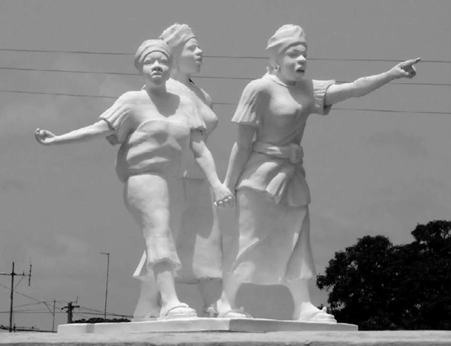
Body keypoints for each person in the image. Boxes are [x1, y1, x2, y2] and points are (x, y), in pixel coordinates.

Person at [218, 24, 420, 322]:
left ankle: (302, 305)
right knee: (250, 239)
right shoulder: (258, 89)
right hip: (259, 179)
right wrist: (226, 184)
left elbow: (351, 89)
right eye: (293, 54)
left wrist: (389, 75)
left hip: (293, 177)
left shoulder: (307, 89)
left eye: (304, 55)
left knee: (298, 240)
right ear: (276, 58)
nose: (301, 61)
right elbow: (242, 144)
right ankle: (226, 300)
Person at [34, 39, 234, 320]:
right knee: (160, 232)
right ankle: (170, 301)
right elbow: (98, 129)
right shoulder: (132, 101)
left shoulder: (184, 104)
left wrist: (216, 183)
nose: (157, 66)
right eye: (151, 61)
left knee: (167, 239)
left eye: (163, 61)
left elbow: (199, 149)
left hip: (175, 181)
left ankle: (148, 308)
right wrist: (56, 140)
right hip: (143, 179)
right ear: (141, 67)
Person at [132, 24, 229, 320]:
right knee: (165, 239)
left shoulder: (199, 92)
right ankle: (151, 304)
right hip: (176, 178)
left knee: (207, 243)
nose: (199, 52)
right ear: (173, 54)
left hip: (200, 178)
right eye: (191, 48)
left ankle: (215, 302)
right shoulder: (164, 91)